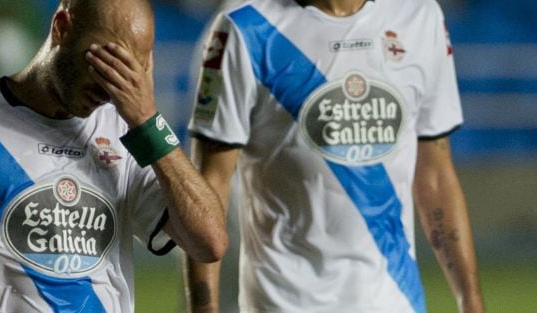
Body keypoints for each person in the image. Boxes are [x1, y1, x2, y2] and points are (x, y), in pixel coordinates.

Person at [0, 0, 228, 312]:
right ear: (61, 27)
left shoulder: (126, 132)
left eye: (126, 73)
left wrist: (149, 123)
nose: (109, 88)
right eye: (102, 62)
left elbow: (209, 241)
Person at [185, 0, 485, 312]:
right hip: (284, 302)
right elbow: (210, 186)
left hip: (394, 301)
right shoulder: (244, 28)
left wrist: (471, 300)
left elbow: (435, 175)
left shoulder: (420, 17)